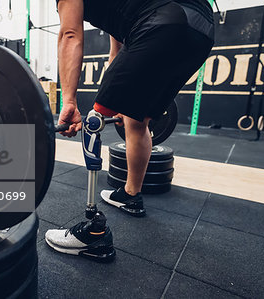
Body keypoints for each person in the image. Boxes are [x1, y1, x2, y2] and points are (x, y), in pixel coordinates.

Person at [45, 0, 214, 260]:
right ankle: (130, 195)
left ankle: (94, 233)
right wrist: (120, 99)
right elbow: (120, 46)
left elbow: (69, 34)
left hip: (161, 23)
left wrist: (69, 102)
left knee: (93, 122)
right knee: (138, 118)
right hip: (201, 30)